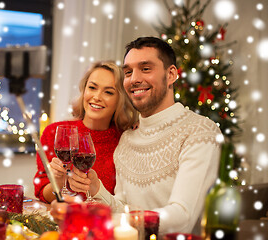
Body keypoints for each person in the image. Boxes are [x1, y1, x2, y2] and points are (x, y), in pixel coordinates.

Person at [52, 37, 222, 235]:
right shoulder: (127, 139)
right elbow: (123, 207)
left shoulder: (200, 131)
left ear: (171, 74)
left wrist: (94, 218)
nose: (134, 79)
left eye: (146, 68)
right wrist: (97, 190)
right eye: (128, 72)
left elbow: (182, 218)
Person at [34, 61, 138, 203]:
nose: (97, 97)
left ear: (120, 100)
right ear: (84, 91)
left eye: (108, 92)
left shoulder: (126, 140)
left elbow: (126, 202)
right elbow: (42, 194)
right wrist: (58, 181)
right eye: (92, 88)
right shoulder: (54, 133)